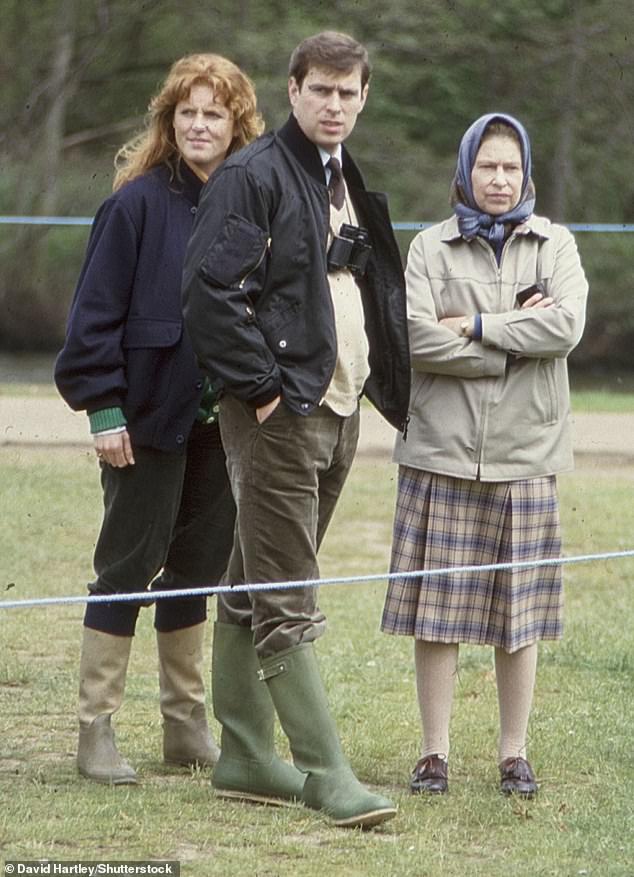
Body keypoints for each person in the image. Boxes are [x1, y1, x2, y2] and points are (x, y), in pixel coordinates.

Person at [182, 31, 410, 828]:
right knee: (286, 592)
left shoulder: (342, 177)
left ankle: (245, 755)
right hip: (280, 416)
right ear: (293, 90)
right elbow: (210, 292)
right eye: (321, 90)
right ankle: (327, 772)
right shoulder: (254, 175)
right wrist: (263, 393)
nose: (334, 105)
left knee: (254, 579)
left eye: (348, 93)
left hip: (339, 408)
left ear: (364, 97)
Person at [54, 54, 264, 785]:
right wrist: (104, 410)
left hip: (224, 423)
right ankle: (96, 730)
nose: (200, 125)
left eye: (215, 113)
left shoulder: (251, 208)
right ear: (169, 122)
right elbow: (92, 320)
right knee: (125, 568)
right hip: (143, 420)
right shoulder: (134, 206)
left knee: (196, 570)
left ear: (238, 125)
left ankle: (185, 726)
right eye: (187, 113)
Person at [381, 112, 588, 798]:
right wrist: (509, 348)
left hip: (525, 455)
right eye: (486, 166)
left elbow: (565, 326)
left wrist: (473, 325)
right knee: (435, 614)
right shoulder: (428, 248)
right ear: (465, 171)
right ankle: (433, 754)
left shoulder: (555, 244)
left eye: (510, 167)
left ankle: (513, 754)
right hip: (439, 452)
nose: (499, 180)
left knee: (517, 616)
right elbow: (413, 338)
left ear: (525, 174)